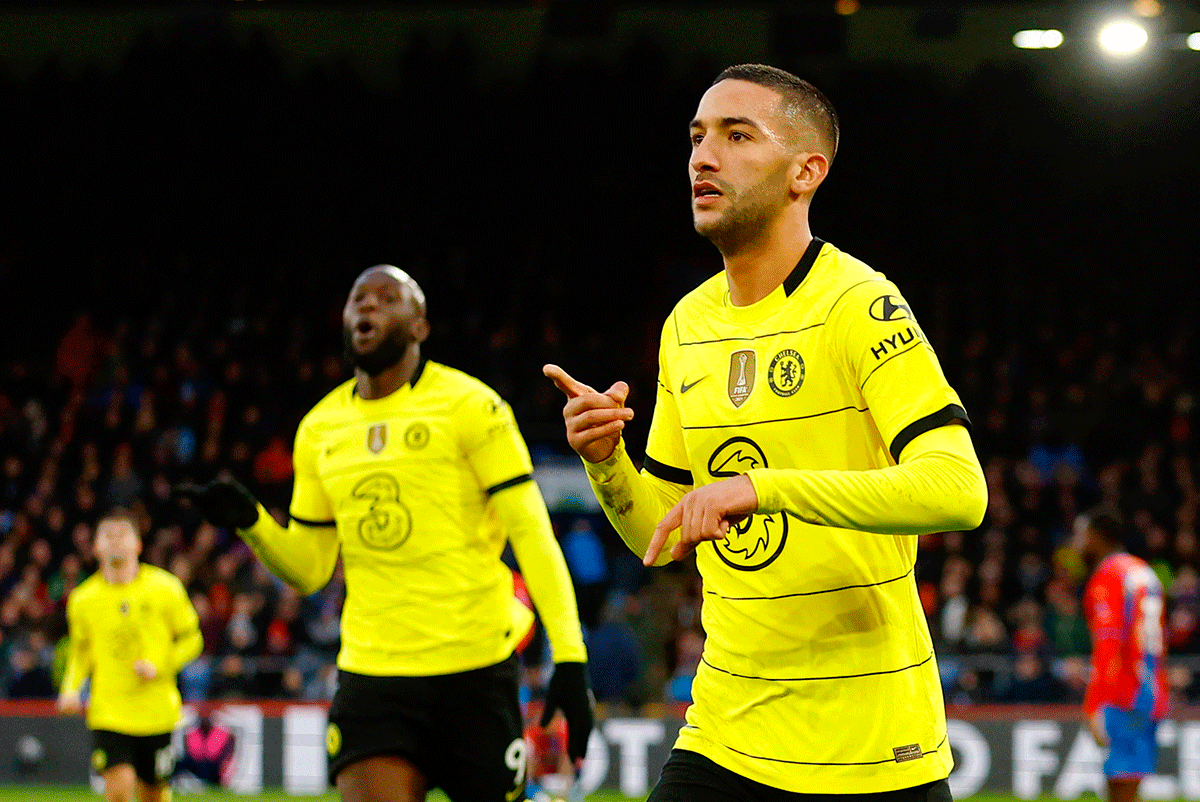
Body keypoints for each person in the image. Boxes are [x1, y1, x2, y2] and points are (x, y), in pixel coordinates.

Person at [545, 63, 987, 801]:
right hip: (727, 732)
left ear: (805, 171)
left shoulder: (860, 305)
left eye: (736, 135)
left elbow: (958, 490)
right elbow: (662, 528)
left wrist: (763, 489)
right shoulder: (687, 324)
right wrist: (606, 462)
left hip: (872, 749)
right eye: (696, 137)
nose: (702, 157)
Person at [179, 264, 593, 802]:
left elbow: (532, 534)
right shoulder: (320, 429)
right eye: (358, 299)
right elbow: (309, 568)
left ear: (420, 327)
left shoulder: (473, 406)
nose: (367, 308)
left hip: (474, 671)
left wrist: (570, 656)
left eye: (385, 299)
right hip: (372, 677)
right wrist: (252, 522)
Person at [57, 509, 203, 802]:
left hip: (157, 713)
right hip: (109, 712)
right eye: (107, 535)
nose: (115, 541)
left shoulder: (165, 587)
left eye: (122, 534)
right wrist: (70, 688)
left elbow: (193, 639)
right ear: (95, 546)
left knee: (154, 794)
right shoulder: (83, 599)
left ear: (138, 544)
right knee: (119, 790)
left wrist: (161, 665)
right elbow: (80, 650)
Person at [1081, 508, 1169, 802]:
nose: (1076, 543)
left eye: (1081, 535)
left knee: (1120, 784)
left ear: (1098, 536)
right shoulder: (1144, 571)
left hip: (1124, 692)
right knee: (1129, 781)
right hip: (1152, 687)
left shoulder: (1107, 575)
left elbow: (1108, 644)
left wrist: (1094, 703)